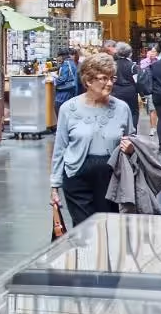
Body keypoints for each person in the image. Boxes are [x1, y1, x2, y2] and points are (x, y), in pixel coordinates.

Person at [50, 51, 135, 228]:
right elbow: (60, 147)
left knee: (108, 227)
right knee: (83, 229)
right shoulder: (68, 108)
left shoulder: (122, 108)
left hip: (111, 177)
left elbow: (132, 139)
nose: (109, 83)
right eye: (103, 78)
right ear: (88, 81)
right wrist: (55, 185)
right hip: (76, 174)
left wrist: (130, 147)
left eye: (112, 78)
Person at [111, 42, 141, 130]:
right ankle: (133, 131)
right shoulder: (132, 66)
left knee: (117, 111)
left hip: (116, 90)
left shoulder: (113, 64)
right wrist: (140, 93)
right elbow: (137, 81)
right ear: (129, 53)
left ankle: (118, 129)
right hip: (130, 91)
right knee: (133, 111)